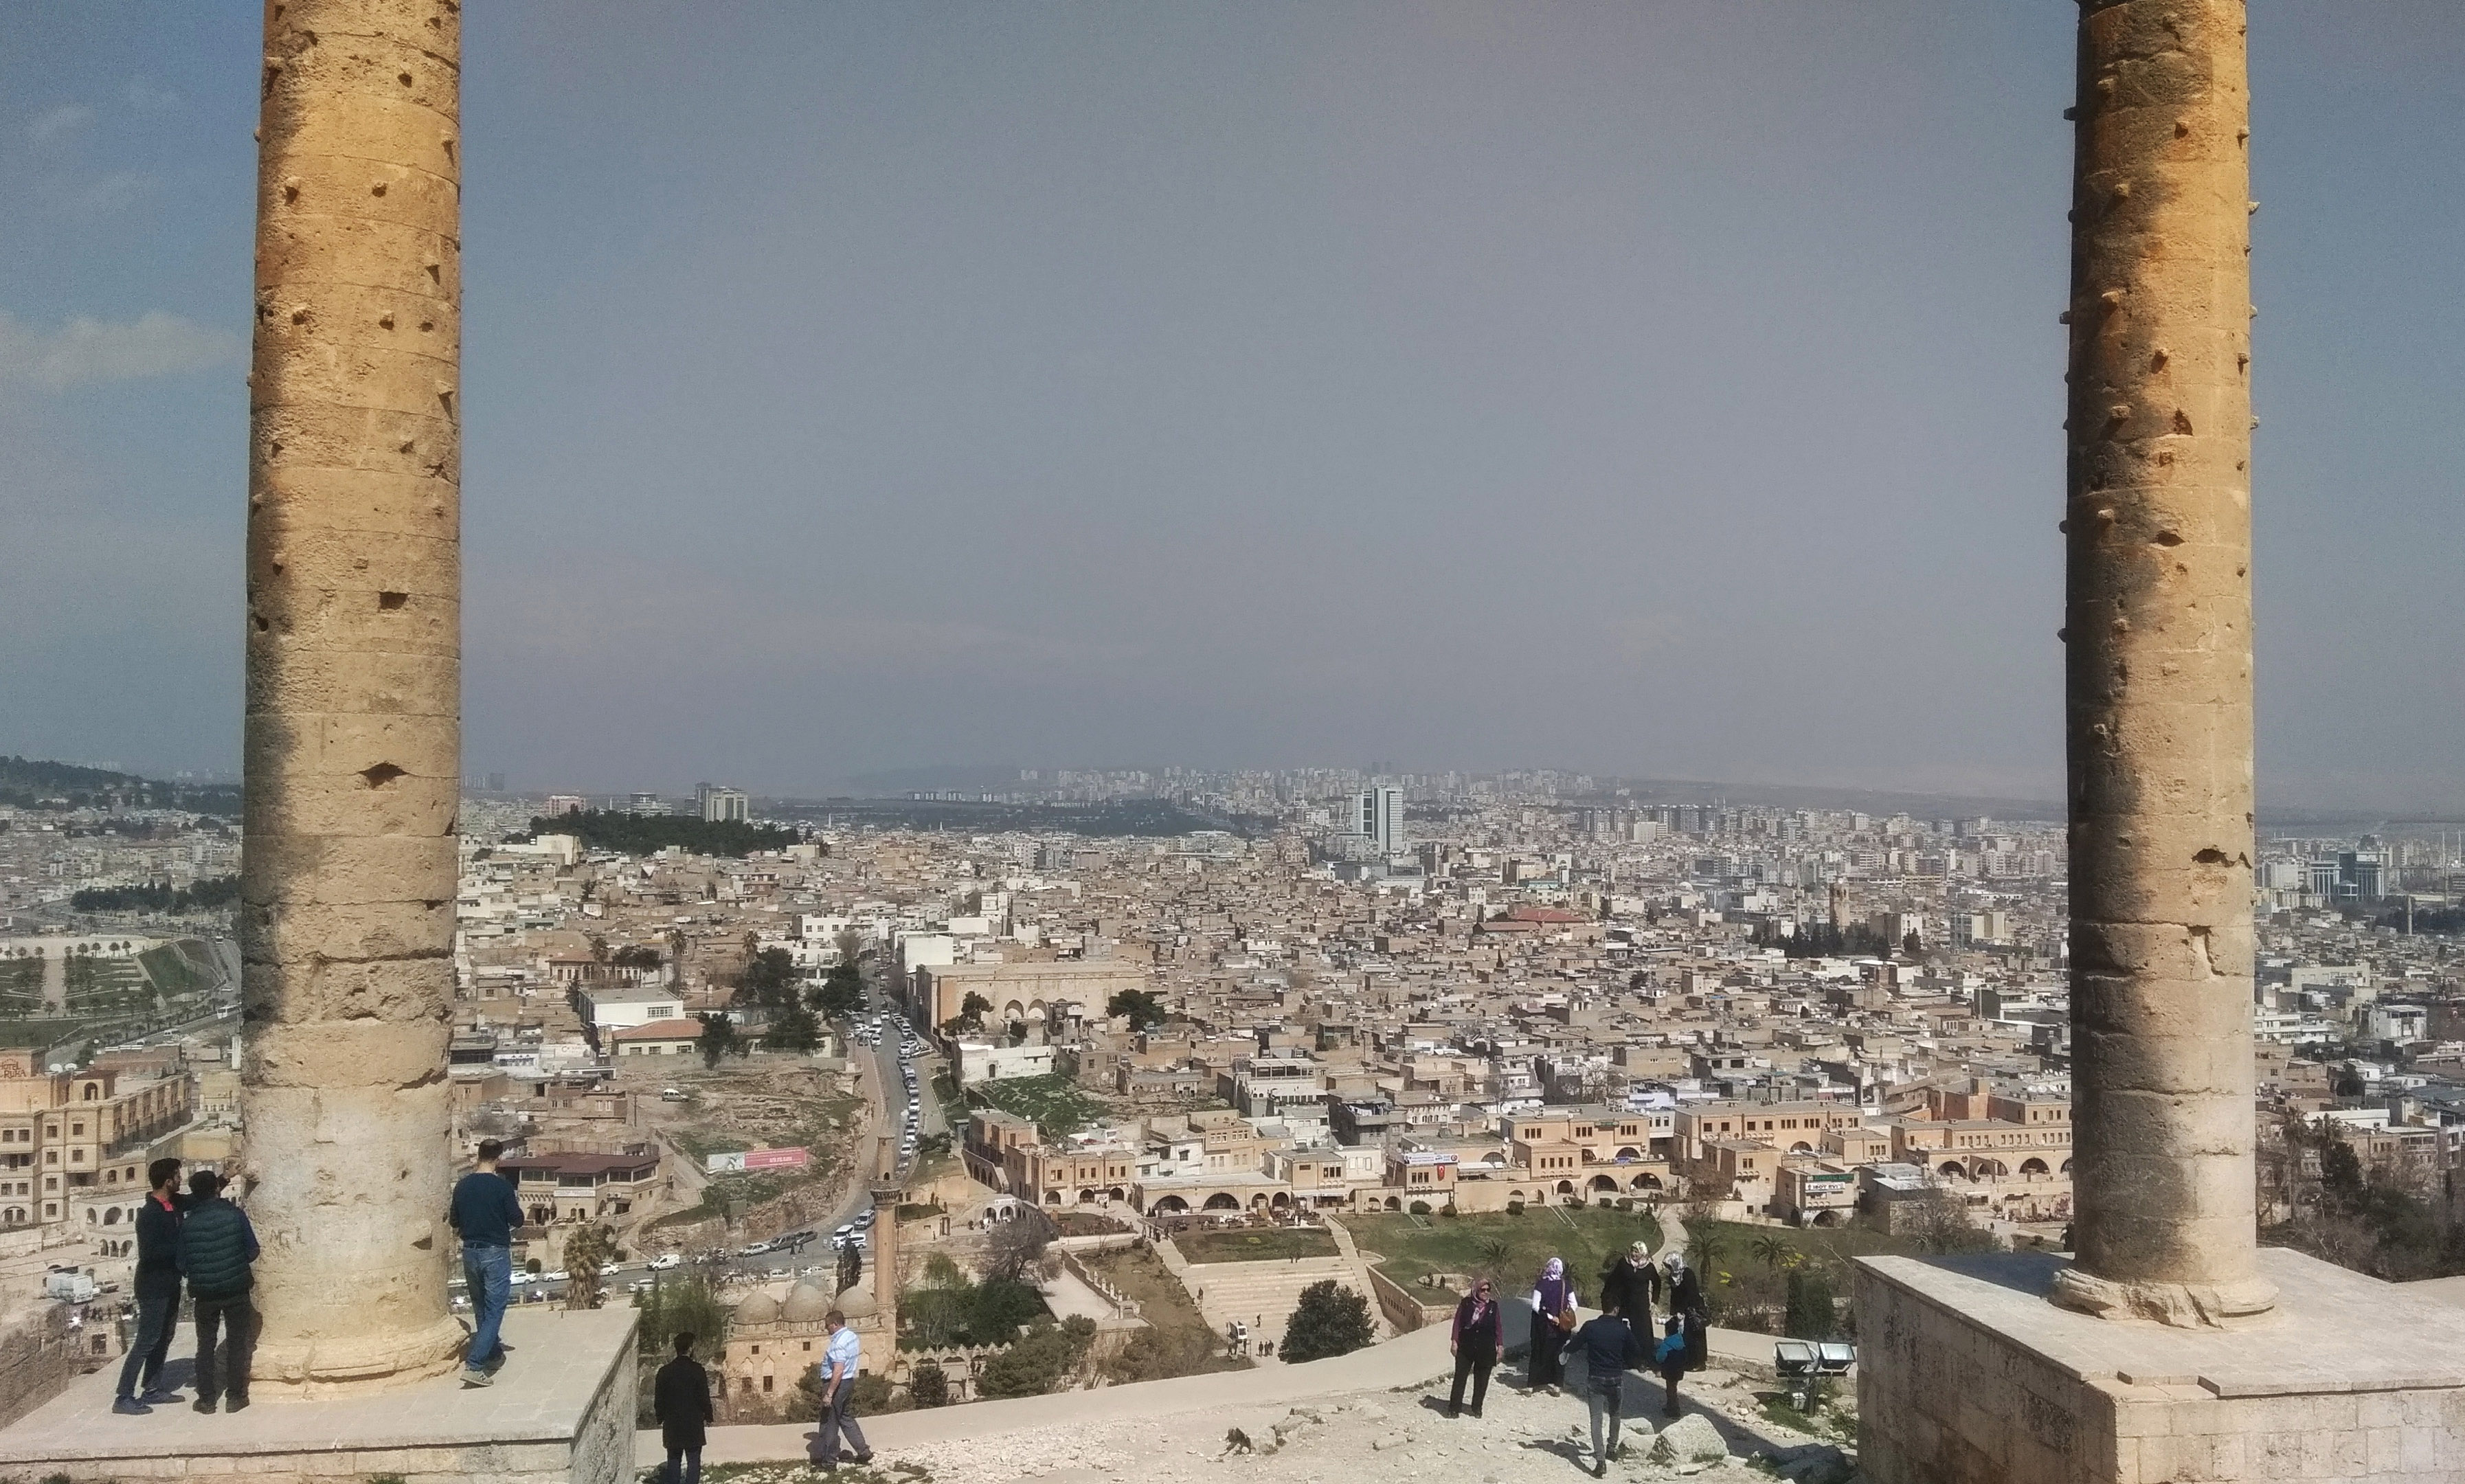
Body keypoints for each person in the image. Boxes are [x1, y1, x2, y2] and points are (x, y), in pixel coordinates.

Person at [175, 1169, 258, 1415]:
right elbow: (253, 1250)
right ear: (215, 1189)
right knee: (236, 1343)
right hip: (236, 1289)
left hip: (205, 1294)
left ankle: (207, 1399)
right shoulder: (235, 1216)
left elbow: (181, 1264)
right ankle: (235, 1397)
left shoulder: (188, 1225)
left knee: (205, 1345)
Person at [448, 1138, 526, 1387]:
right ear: (498, 1159)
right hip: (495, 1252)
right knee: (495, 1310)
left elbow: (454, 1221)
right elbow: (517, 1219)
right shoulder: (502, 1188)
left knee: (481, 1307)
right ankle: (475, 1365)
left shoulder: (462, 1186)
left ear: (478, 1156)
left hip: (470, 1252)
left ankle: (492, 1353)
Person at [113, 1158, 185, 1415]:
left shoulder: (171, 1204)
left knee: (164, 1337)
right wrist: (183, 1249)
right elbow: (150, 1253)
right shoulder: (150, 1214)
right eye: (177, 1176)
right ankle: (123, 1396)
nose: (181, 1179)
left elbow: (199, 1199)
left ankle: (152, 1389)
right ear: (168, 1181)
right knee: (147, 1340)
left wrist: (223, 1180)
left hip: (170, 1282)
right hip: (153, 1285)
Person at [1571, 1301, 1647, 1479]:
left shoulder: (1590, 1327)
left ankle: (1600, 1461)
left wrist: (1565, 1351)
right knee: (1615, 1414)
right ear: (1617, 1309)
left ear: (1602, 1308)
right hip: (1615, 1379)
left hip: (1596, 1378)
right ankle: (1611, 1449)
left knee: (1596, 1420)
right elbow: (1636, 1349)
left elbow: (1574, 1346)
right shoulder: (1622, 1330)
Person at [812, 1308, 873, 1472]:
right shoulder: (852, 1337)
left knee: (830, 1423)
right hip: (848, 1382)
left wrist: (829, 1394)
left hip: (836, 1384)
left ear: (835, 1324)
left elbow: (838, 1370)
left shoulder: (837, 1344)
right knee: (846, 1418)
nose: (826, 1329)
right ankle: (864, 1452)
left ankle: (829, 1462)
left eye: (827, 1326)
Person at [654, 1331, 714, 1484]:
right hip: (693, 1424)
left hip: (672, 1425)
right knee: (694, 1461)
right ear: (691, 1348)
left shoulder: (664, 1372)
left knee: (673, 1461)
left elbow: (659, 1399)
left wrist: (659, 1417)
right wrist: (709, 1416)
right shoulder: (697, 1370)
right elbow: (704, 1397)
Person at [1445, 1277, 1503, 1418]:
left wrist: (1500, 1345)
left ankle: (1477, 1407)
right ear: (1477, 1290)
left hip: (1486, 1348)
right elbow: (1458, 1323)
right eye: (1483, 1290)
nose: (1486, 1293)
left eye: (1488, 1290)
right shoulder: (1466, 1303)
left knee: (1482, 1380)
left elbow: (1498, 1327)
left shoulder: (1493, 1307)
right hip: (1466, 1346)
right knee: (1460, 1377)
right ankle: (1454, 1408)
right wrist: (1454, 1341)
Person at [1663, 1252, 1709, 1412]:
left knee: (1695, 1338)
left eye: (1670, 1265)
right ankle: (1688, 1361)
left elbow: (1691, 1294)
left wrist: (1682, 1310)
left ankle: (1698, 1362)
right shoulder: (1673, 1277)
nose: (1669, 1268)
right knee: (1685, 1338)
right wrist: (1674, 1312)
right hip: (1681, 1312)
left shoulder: (1688, 1274)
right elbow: (1675, 1296)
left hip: (1692, 1311)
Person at [1527, 1256, 1577, 1395]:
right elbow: (1574, 1305)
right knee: (1559, 1355)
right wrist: (1562, 1319)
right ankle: (1557, 1386)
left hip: (1543, 1327)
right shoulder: (1565, 1284)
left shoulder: (1541, 1284)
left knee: (1538, 1354)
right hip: (1561, 1328)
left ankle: (1532, 1385)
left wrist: (1550, 1317)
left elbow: (1535, 1306)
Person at [1597, 1239, 1661, 1337]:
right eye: (1632, 1251)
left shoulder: (1649, 1268)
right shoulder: (1624, 1263)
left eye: (1637, 1252)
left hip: (1640, 1303)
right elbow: (1613, 1279)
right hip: (1624, 1301)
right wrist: (1608, 1296)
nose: (1633, 1254)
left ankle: (1644, 1351)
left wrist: (1654, 1301)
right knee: (1618, 1329)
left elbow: (1657, 1283)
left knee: (1643, 1332)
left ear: (1643, 1253)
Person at [1653, 1314, 1688, 1417]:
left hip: (1670, 1371)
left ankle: (1674, 1411)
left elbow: (1660, 1358)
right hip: (1679, 1369)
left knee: (1671, 1391)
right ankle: (1671, 1408)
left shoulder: (1666, 1345)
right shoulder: (1681, 1341)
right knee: (1673, 1388)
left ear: (1667, 1331)